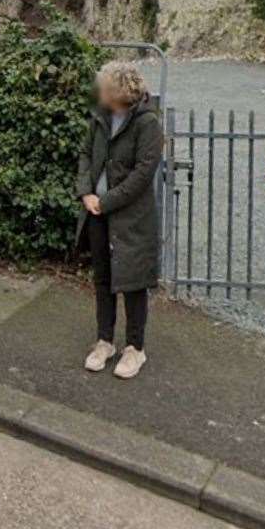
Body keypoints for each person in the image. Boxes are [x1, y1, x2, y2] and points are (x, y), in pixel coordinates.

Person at [73, 60, 164, 380]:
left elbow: (143, 174)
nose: (99, 93)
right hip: (96, 212)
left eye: (104, 89)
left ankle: (135, 349)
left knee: (134, 283)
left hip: (131, 218)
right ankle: (105, 341)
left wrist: (106, 201)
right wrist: (86, 193)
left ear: (118, 92)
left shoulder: (147, 123)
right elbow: (85, 155)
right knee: (103, 279)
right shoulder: (100, 117)